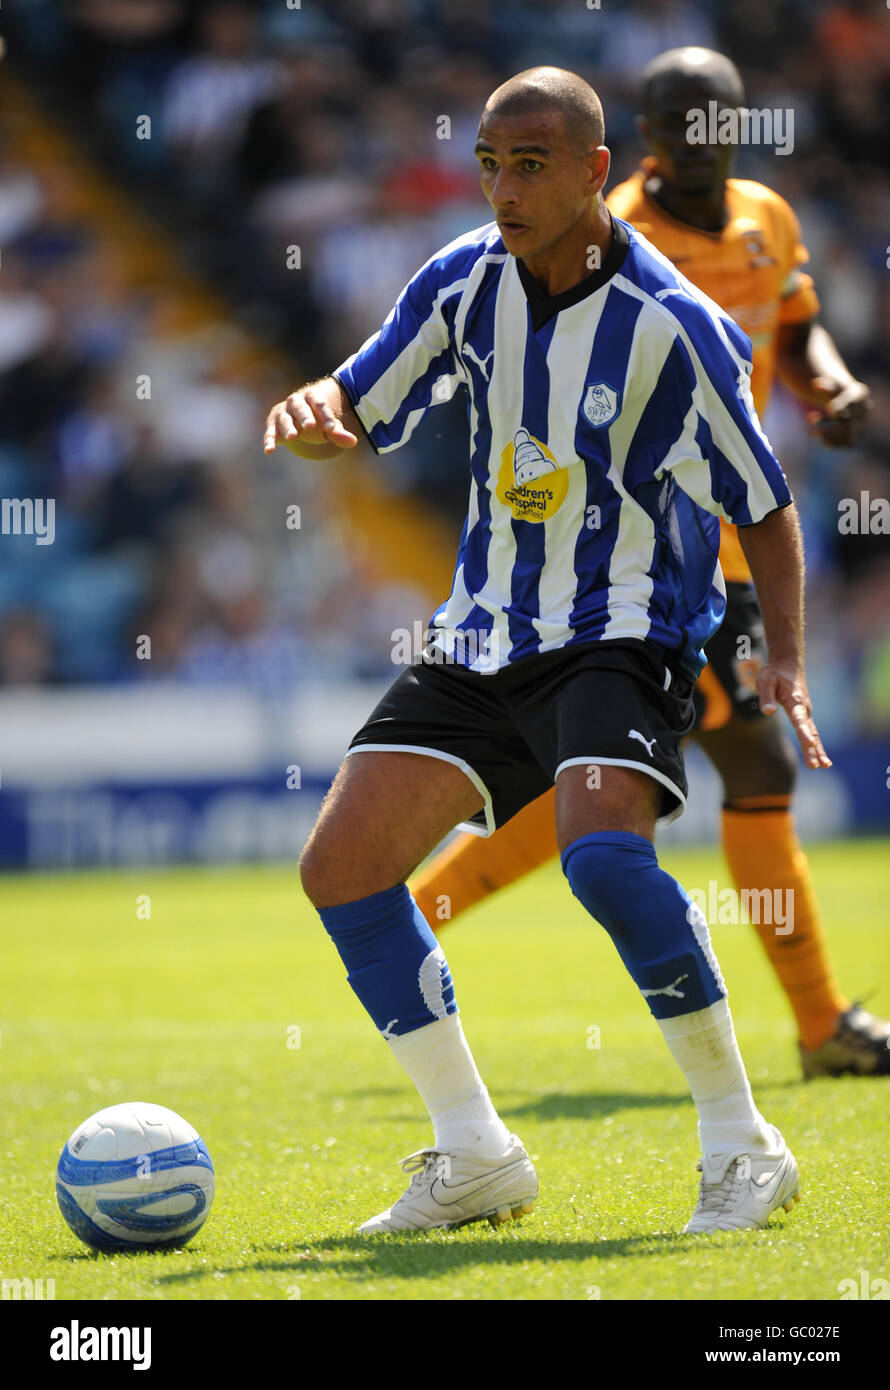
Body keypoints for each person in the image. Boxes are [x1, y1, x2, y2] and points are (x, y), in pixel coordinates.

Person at [264, 66, 828, 1235]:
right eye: (487, 161)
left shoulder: (674, 325)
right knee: (342, 867)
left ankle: (742, 1141)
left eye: (528, 164)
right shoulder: (461, 282)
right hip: (482, 634)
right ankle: (473, 1152)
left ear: (593, 169)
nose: (502, 186)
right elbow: (359, 401)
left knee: (604, 862)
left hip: (623, 631)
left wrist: (781, 660)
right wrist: (314, 410)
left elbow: (765, 505)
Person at [410, 47, 889, 1081]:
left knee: (597, 786)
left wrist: (831, 387)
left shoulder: (766, 219)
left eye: (708, 119)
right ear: (638, 137)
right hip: (652, 553)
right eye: (668, 121)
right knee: (707, 771)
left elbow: (795, 331)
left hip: (735, 539)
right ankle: (817, 1025)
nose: (689, 139)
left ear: (734, 125)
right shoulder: (610, 233)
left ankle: (413, 914)